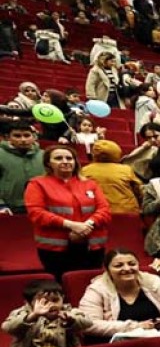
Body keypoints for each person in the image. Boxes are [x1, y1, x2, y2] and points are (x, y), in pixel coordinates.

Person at [24, 143, 111, 278]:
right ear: (48, 163)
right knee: (63, 285)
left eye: (69, 158)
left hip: (92, 246)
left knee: (90, 283)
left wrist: (87, 226)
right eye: (58, 158)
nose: (65, 161)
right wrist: (72, 225)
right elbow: (36, 213)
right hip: (55, 249)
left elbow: (104, 210)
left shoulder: (90, 184)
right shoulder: (37, 184)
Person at [79, 248, 160, 339]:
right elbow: (88, 324)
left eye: (132, 264)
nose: (127, 268)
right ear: (108, 270)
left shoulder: (152, 281)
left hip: (159, 338)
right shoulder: (97, 289)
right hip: (119, 344)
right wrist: (136, 326)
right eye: (118, 265)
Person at [80, 139, 143, 215]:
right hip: (126, 212)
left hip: (95, 213)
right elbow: (139, 190)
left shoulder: (85, 170)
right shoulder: (126, 169)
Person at [0, 118, 45, 213]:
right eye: (17, 136)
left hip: (41, 206)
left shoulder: (45, 155)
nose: (23, 139)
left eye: (27, 135)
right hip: (8, 208)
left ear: (33, 137)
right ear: (8, 137)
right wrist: (1, 205)